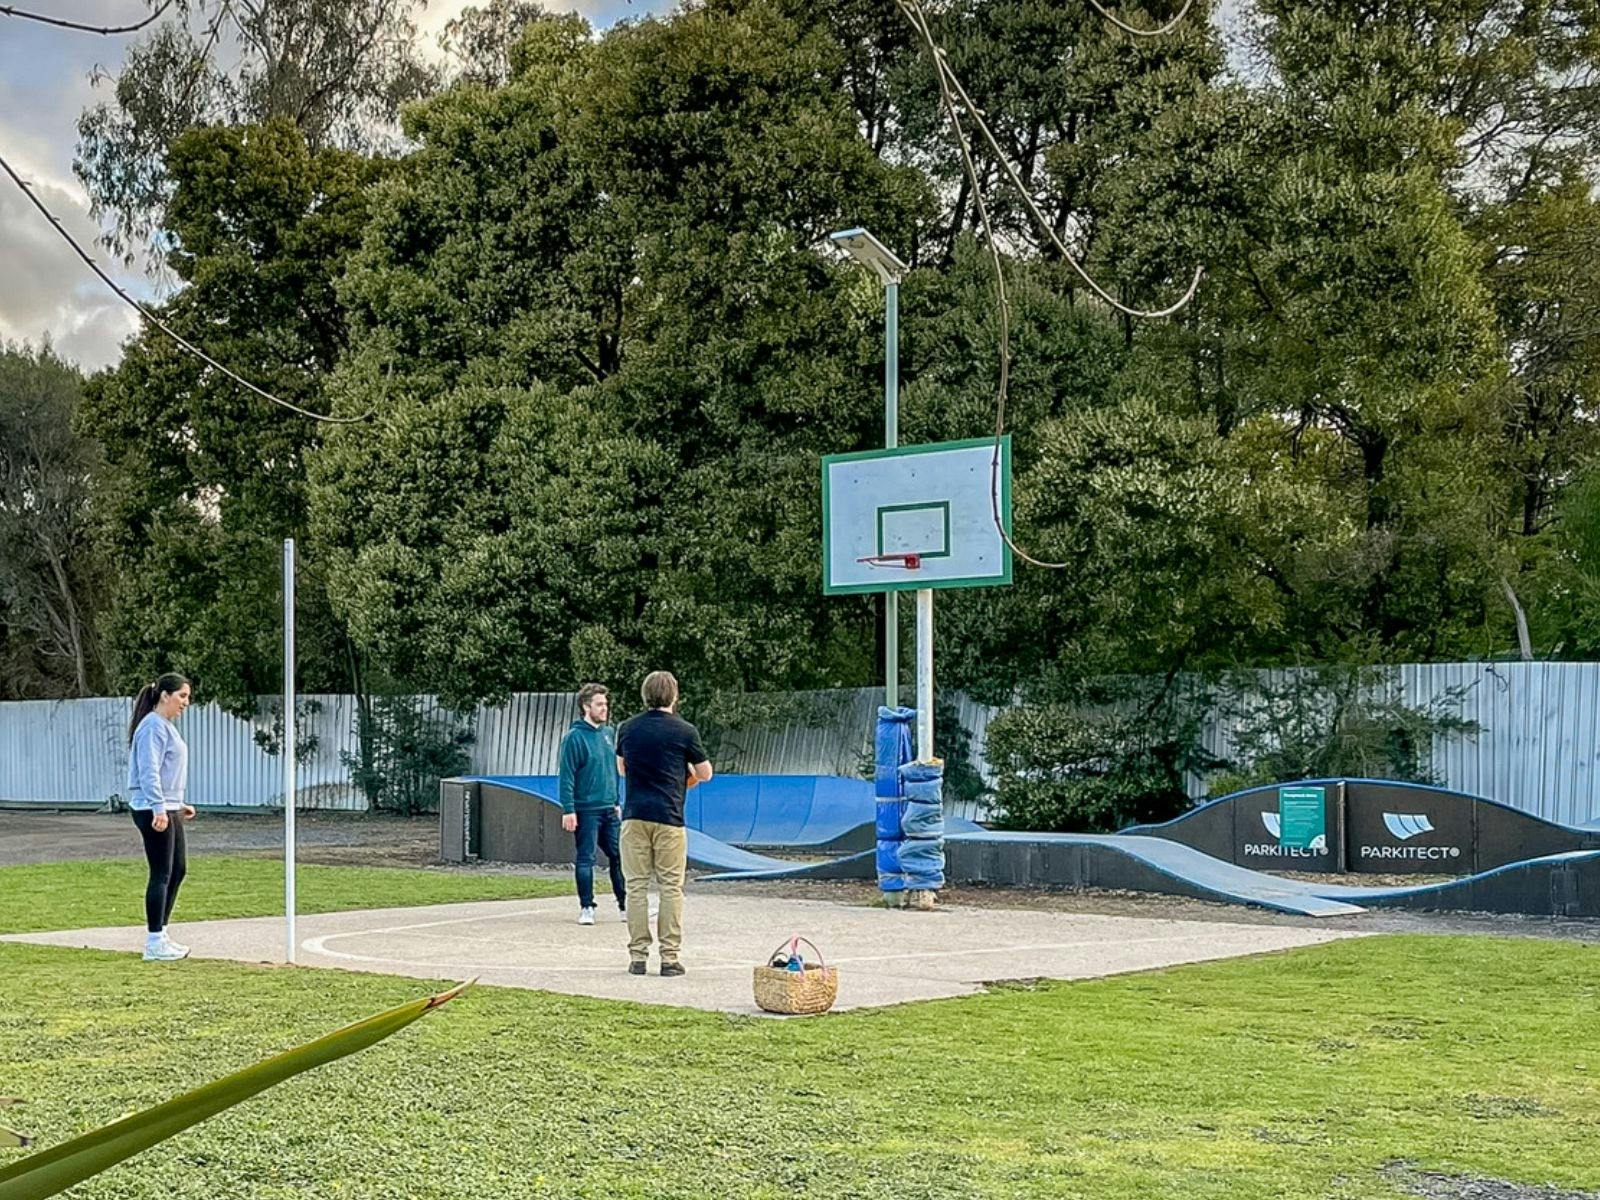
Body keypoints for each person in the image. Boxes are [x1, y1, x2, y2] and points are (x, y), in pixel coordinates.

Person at [615, 670, 711, 977]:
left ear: (645, 696)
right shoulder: (685, 731)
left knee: (636, 888)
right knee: (671, 887)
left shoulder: (627, 729)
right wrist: (684, 778)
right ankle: (669, 957)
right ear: (674, 696)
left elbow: (622, 769)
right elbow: (705, 772)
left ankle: (638, 956)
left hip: (634, 815)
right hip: (669, 816)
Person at [126, 673, 195, 962]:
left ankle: (162, 934)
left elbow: (168, 771)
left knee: (177, 870)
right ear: (165, 695)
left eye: (188, 697)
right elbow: (149, 770)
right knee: (161, 872)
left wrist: (178, 804)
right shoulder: (152, 727)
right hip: (153, 809)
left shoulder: (164, 726)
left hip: (168, 806)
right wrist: (158, 807)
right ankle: (154, 941)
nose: (185, 703)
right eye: (182, 696)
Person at [557, 683, 626, 926]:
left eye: (606, 704)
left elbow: (613, 770)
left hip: (609, 807)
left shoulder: (608, 734)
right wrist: (569, 809)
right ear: (586, 707)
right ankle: (587, 906)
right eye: (599, 704)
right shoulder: (574, 738)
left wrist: (616, 800)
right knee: (586, 857)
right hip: (586, 809)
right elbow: (567, 776)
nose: (604, 708)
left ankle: (624, 905)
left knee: (619, 855)